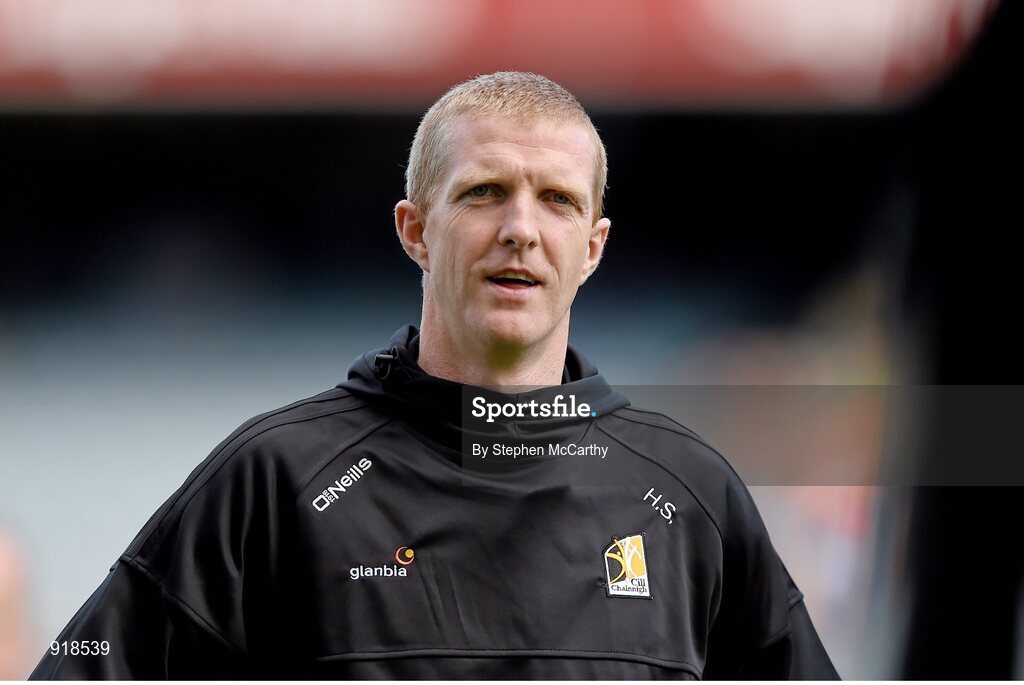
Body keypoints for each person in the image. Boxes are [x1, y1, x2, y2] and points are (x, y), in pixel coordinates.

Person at [31, 71, 838, 679]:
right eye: (486, 192)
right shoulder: (274, 481)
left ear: (591, 247)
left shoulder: (691, 495)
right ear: (415, 230)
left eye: (555, 200)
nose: (521, 230)